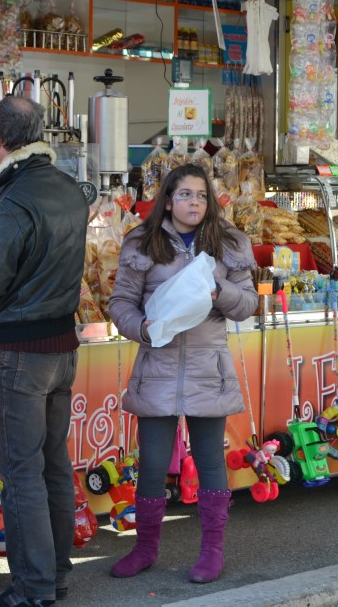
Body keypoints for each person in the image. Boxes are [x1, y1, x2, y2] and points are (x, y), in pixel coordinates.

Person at [0, 96, 88, 607]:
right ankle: (56, 577)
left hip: (21, 350)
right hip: (62, 346)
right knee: (52, 465)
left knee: (22, 472)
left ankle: (32, 590)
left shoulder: (9, 198)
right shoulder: (69, 188)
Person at [107, 163, 257, 584]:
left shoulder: (229, 242)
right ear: (168, 199)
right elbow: (120, 303)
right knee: (153, 463)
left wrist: (218, 291)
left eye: (202, 195)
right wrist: (142, 328)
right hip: (157, 365)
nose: (195, 202)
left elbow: (247, 305)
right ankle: (145, 548)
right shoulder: (142, 240)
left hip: (208, 366)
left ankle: (212, 552)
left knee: (210, 461)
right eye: (186, 194)